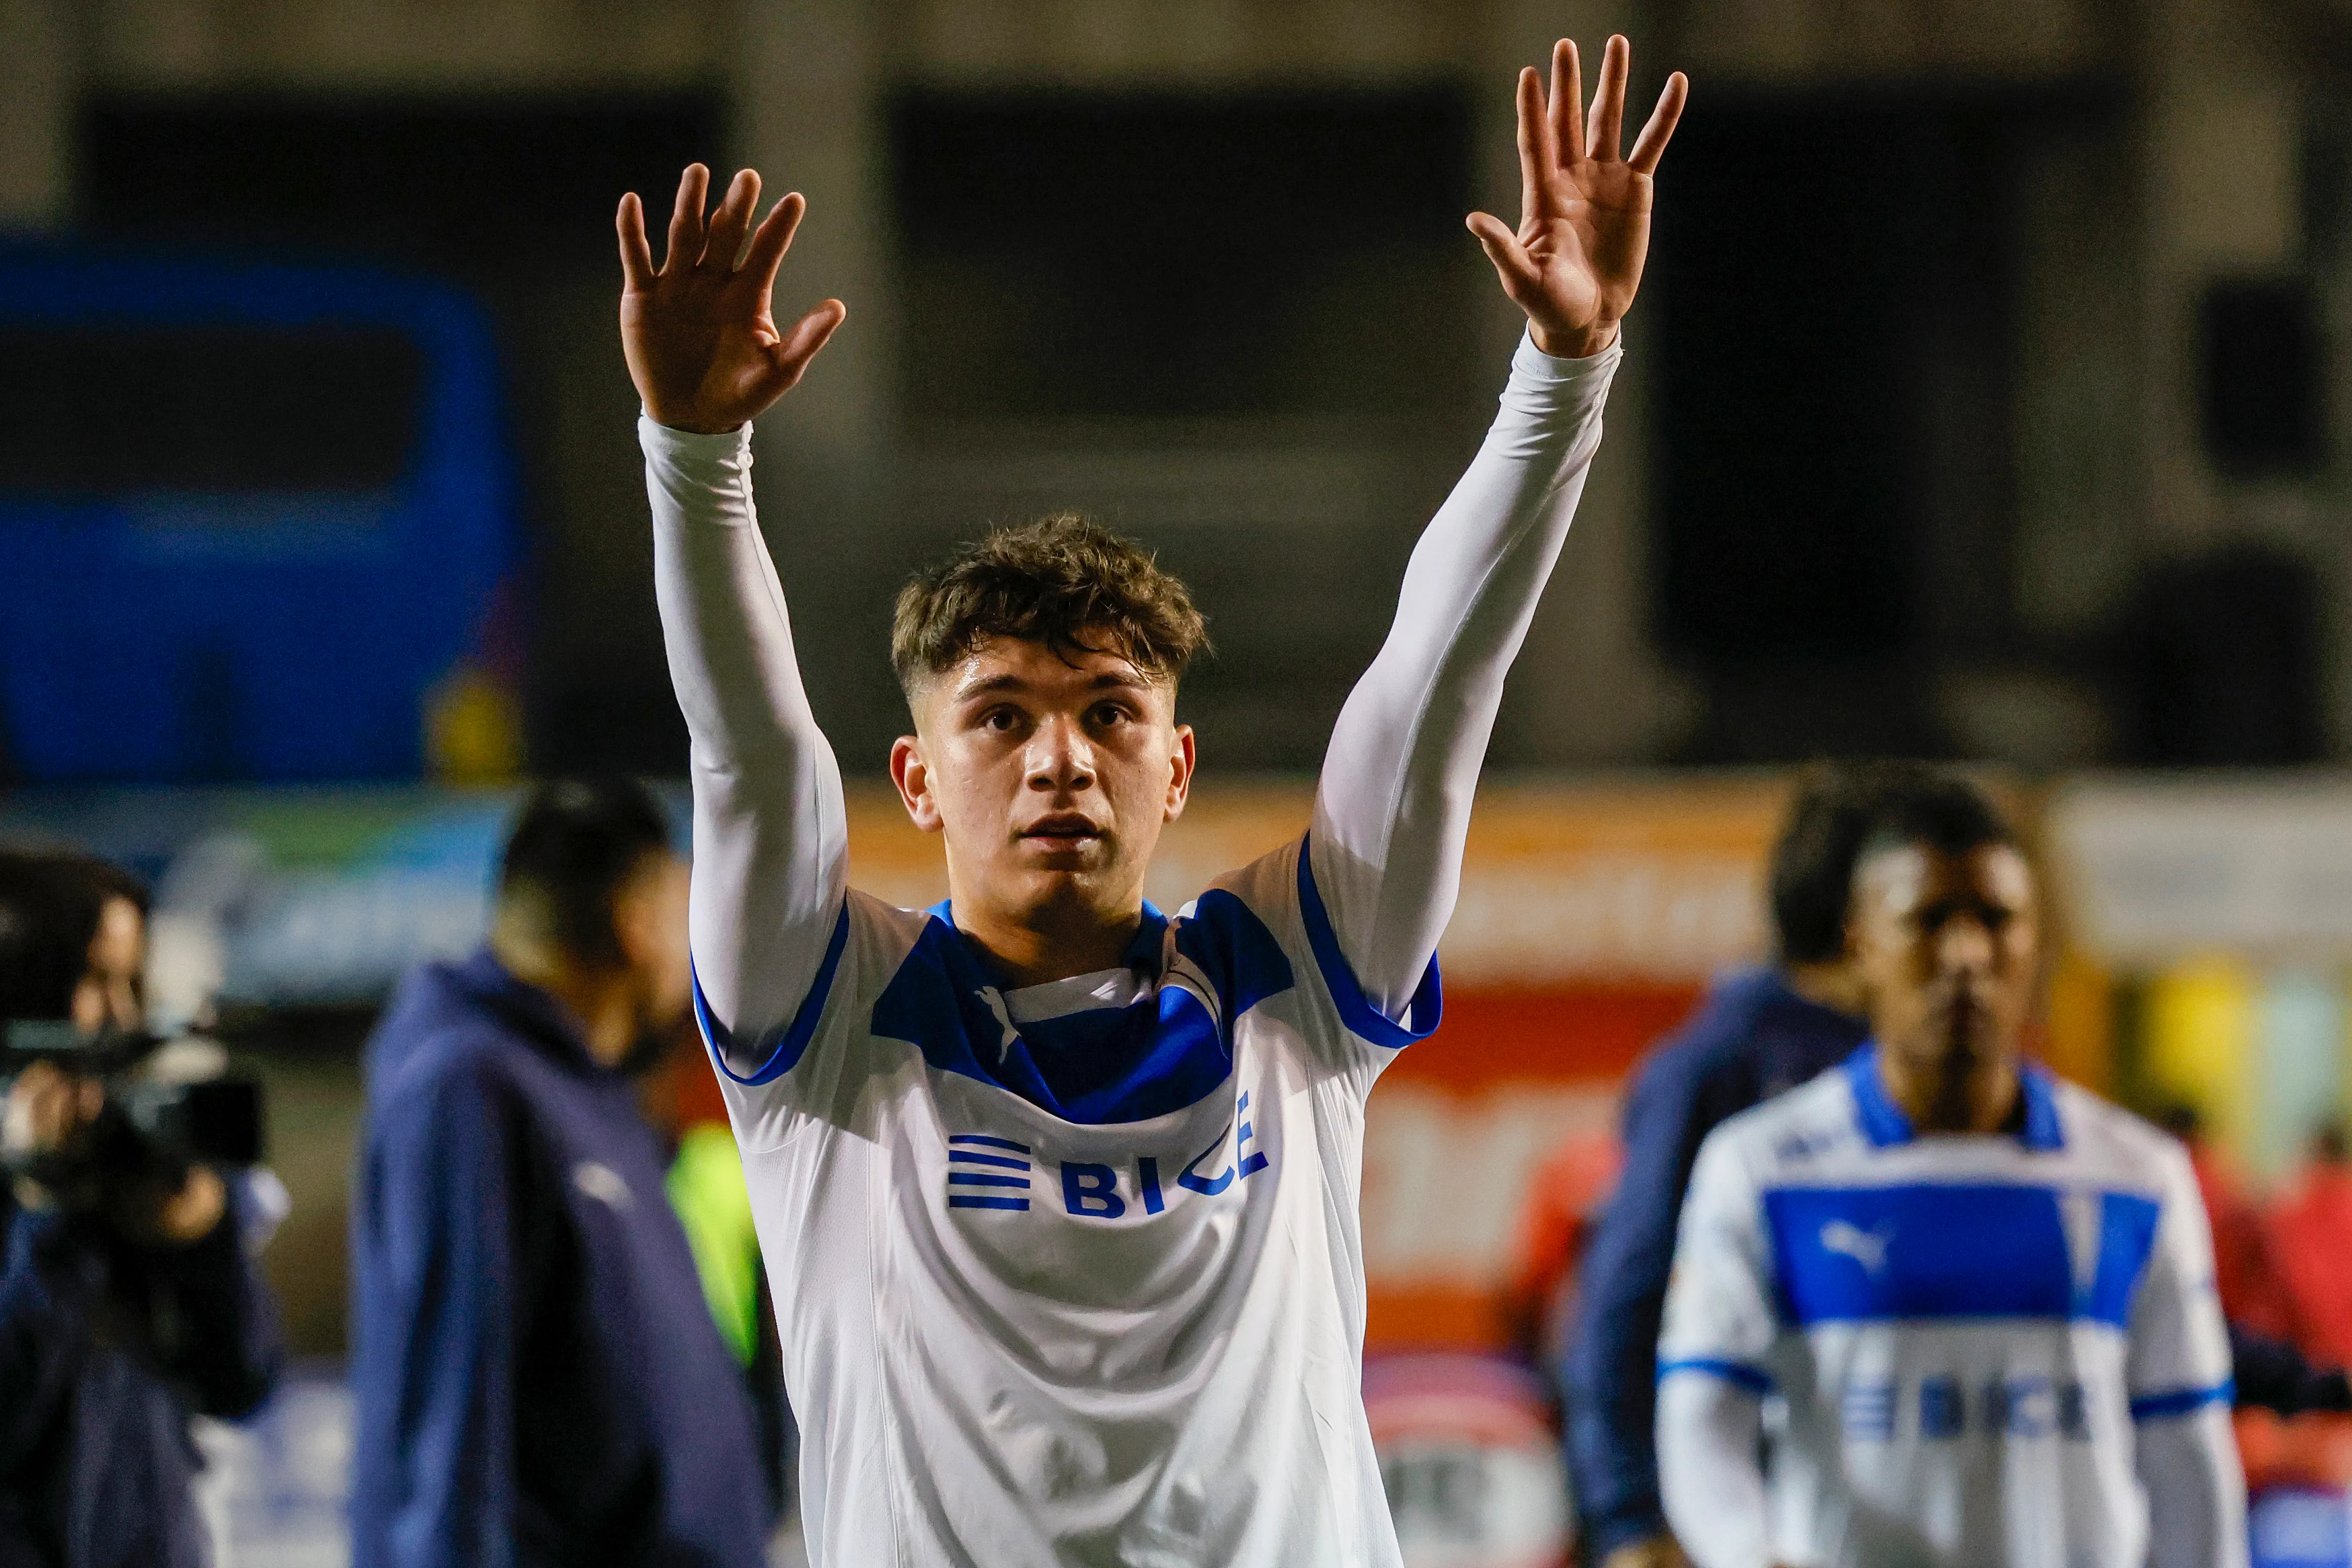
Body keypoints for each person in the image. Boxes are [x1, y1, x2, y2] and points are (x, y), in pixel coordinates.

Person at [618, 34, 1685, 1565]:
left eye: (1110, 714)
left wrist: (1562, 373)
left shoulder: (1294, 976)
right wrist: (695, 457)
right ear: (915, 780)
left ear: (1174, 766)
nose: (1059, 759)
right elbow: (745, 757)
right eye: (1001, 719)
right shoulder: (833, 1009)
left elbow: (1438, 685)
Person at [1655, 774, 2244, 1568]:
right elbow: (1701, 1415)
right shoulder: (1758, 1171)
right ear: (1861, 943)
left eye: (1995, 922)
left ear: (2034, 944)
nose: (1966, 954)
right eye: (1928, 922)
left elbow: (2186, 1457)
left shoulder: (2138, 1178)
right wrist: (1744, 1553)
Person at [348, 777, 773, 1568]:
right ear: (638, 921)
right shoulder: (468, 1087)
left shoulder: (584, 1088)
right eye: (684, 912)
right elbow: (449, 1405)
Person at [1562, 761, 1893, 1566]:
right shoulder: (1730, 1069)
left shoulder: (1898, 1075)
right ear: (1867, 919)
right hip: (1764, 1520)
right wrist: (1631, 1517)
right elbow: (1626, 1299)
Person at [0, 849, 283, 1568]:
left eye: (134, 982)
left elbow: (242, 1382)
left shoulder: (140, 1139)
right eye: (96, 981)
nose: (125, 1017)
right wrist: (46, 1211)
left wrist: (201, 1240)